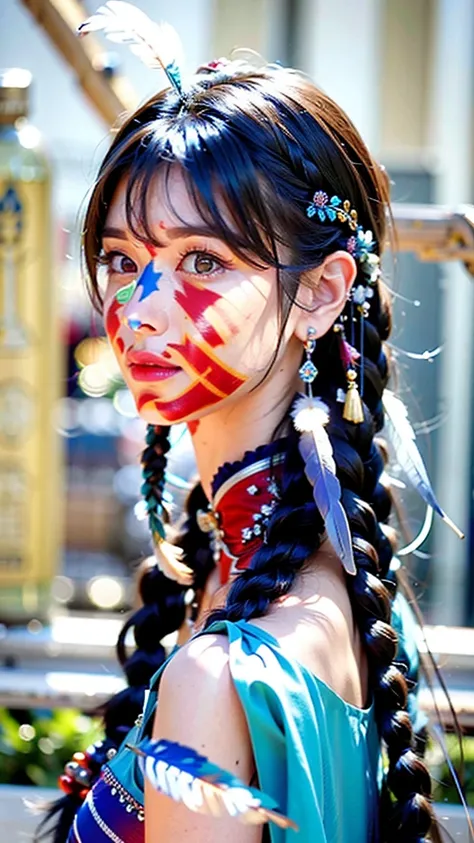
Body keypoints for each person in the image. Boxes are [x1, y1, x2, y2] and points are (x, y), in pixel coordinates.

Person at [41, 16, 441, 843]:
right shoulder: (335, 584)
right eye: (121, 258)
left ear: (323, 293)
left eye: (203, 261)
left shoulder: (217, 674)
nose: (140, 309)